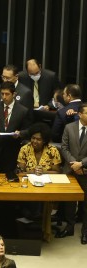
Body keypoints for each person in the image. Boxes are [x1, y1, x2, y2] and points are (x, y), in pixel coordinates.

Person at [57, 103, 87, 243]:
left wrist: (81, 164)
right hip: (70, 169)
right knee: (69, 202)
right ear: (80, 114)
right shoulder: (69, 127)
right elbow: (64, 148)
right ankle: (69, 227)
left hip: (85, 170)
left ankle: (85, 232)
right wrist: (74, 164)